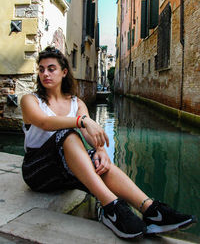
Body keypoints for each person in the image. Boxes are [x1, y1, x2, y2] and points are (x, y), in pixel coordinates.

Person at [20, 47, 197, 239]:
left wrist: (101, 150)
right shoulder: (31, 100)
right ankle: (111, 207)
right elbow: (45, 123)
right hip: (37, 171)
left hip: (65, 171)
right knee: (68, 133)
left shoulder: (76, 103)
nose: (45, 73)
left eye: (51, 69)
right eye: (42, 69)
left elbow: (90, 133)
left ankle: (151, 210)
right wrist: (81, 121)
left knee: (99, 163)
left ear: (64, 72)